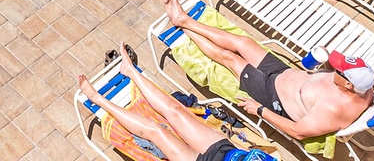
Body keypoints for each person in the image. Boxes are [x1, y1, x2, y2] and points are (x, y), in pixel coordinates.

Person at [159, 0, 374, 142]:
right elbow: (332, 75)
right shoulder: (363, 86)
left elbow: (298, 132)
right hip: (284, 72)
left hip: (272, 95)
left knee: (229, 58)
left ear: (348, 84)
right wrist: (324, 61)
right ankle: (184, 20)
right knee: (243, 43)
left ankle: (184, 27)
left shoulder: (333, 111)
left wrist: (259, 110)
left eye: (338, 70)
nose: (335, 69)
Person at [78, 59, 282, 161]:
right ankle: (130, 71)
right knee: (176, 111)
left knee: (155, 130)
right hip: (227, 151)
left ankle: (97, 98)